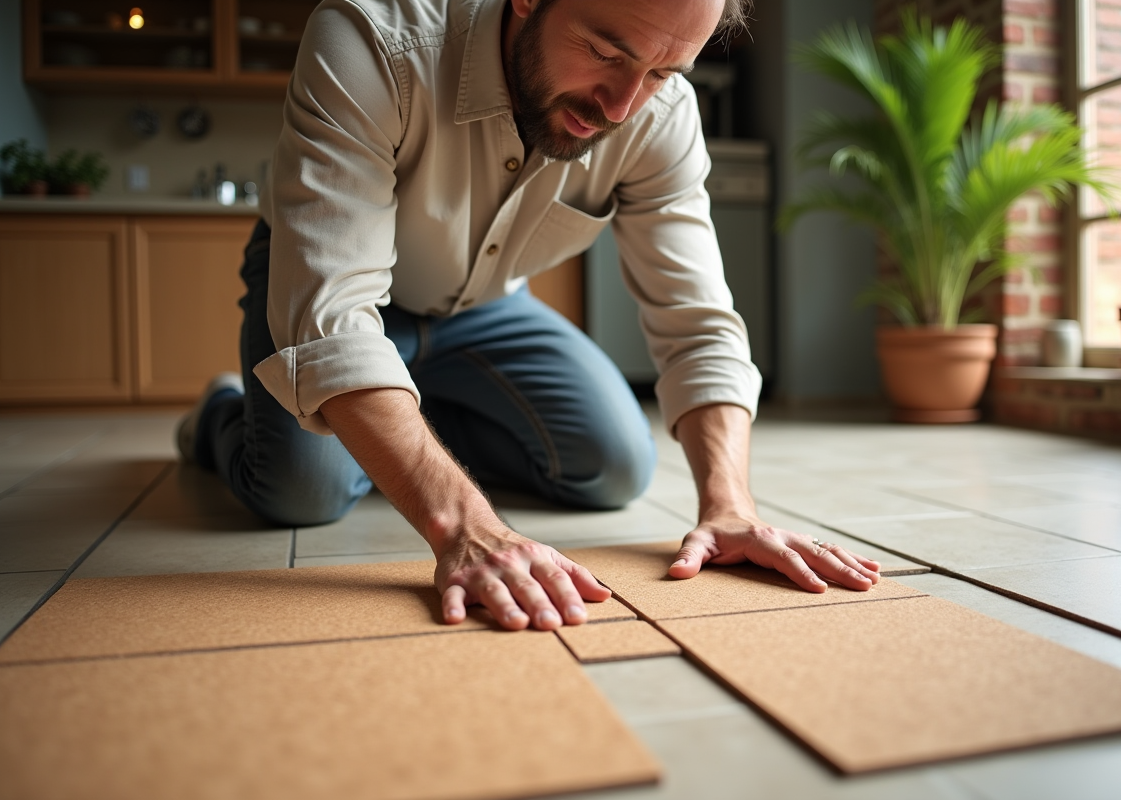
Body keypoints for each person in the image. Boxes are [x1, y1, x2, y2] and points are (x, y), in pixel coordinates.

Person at [178, 0, 881, 632]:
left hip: (484, 305)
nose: (621, 106)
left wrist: (731, 506)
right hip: (337, 295)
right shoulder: (370, 41)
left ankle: (409, 435)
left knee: (612, 466)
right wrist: (465, 524)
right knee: (299, 491)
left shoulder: (660, 117)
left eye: (664, 72)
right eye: (607, 53)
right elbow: (329, 317)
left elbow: (697, 319)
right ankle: (224, 412)